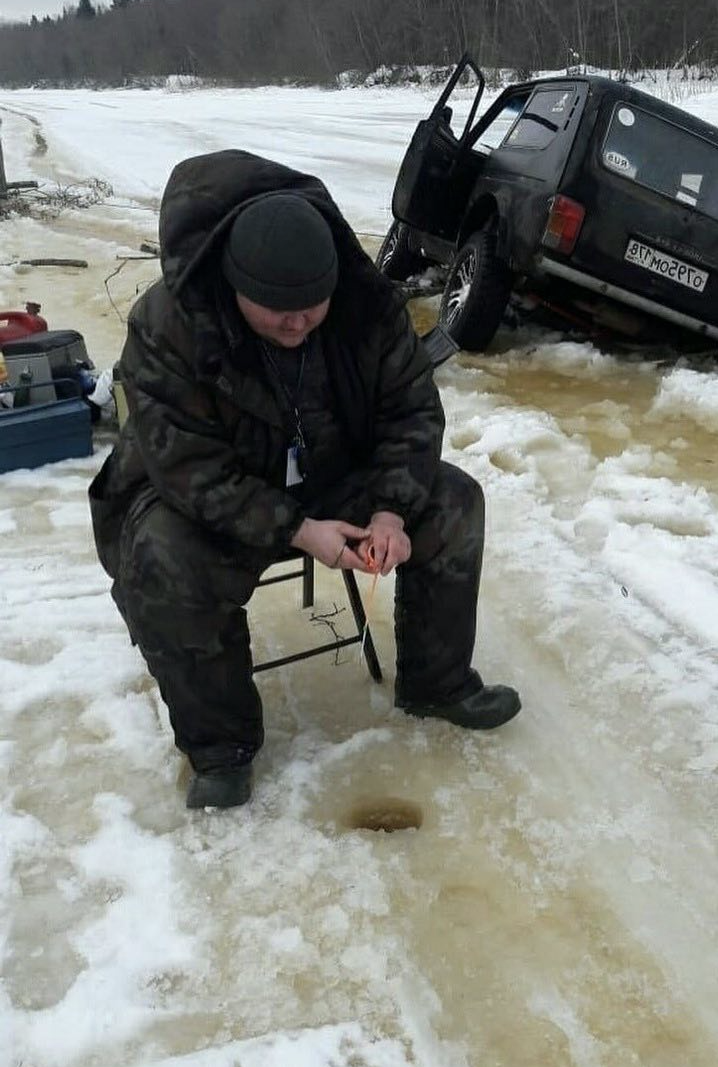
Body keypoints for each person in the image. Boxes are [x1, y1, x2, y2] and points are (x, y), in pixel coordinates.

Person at [89, 149, 520, 810]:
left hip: (329, 472)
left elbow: (409, 408)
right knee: (161, 560)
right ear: (231, 285)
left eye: (310, 307)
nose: (297, 322)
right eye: (275, 310)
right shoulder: (168, 325)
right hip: (206, 499)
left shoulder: (363, 301)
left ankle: (438, 684)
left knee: (455, 501)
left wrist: (391, 513)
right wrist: (296, 529)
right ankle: (221, 747)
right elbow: (188, 469)